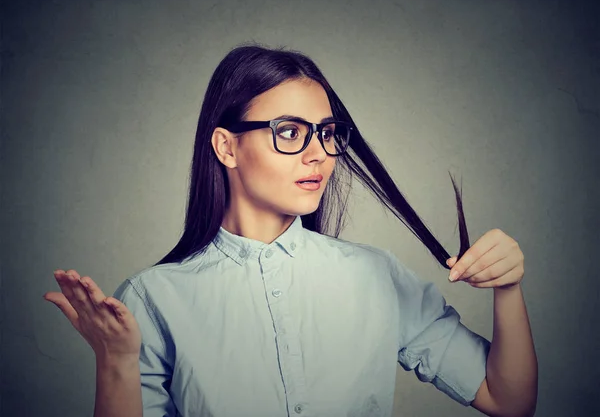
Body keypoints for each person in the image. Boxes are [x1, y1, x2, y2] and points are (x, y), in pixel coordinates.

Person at [44, 43, 538, 417]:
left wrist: (508, 290)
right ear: (227, 147)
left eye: (326, 133)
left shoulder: (376, 275)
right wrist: (115, 363)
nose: (319, 153)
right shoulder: (152, 299)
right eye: (289, 131)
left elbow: (507, 399)